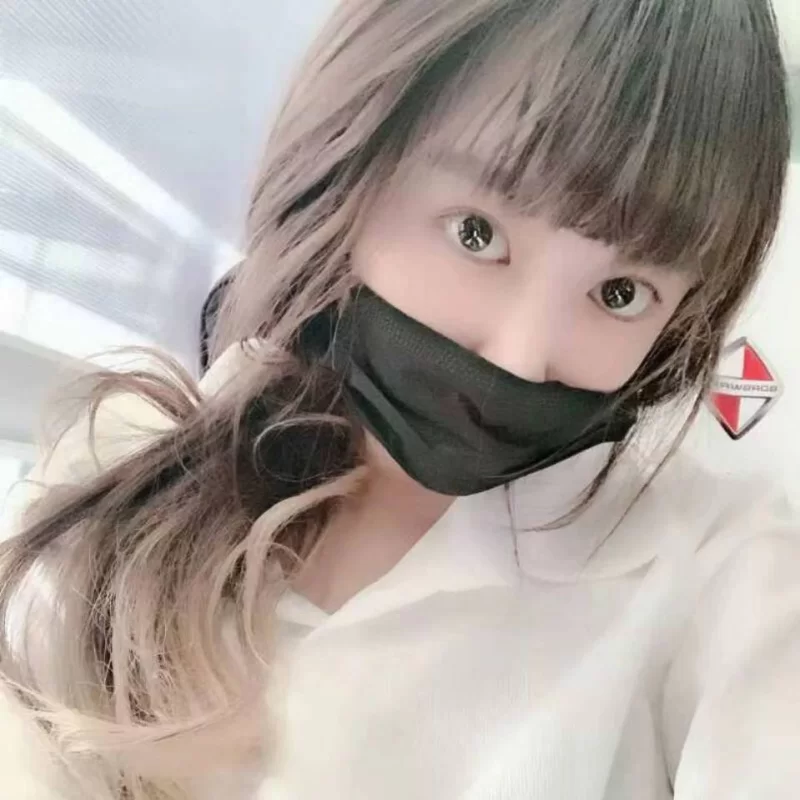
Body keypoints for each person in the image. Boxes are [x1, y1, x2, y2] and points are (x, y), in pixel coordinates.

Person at [0, 0, 795, 798]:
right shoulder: (117, 460)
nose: (521, 357)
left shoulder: (722, 570)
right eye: (476, 233)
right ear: (349, 167)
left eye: (621, 293)